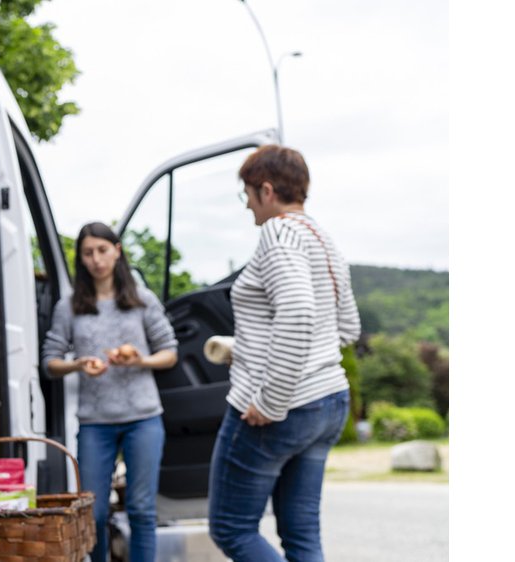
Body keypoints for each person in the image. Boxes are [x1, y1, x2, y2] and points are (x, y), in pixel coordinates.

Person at [208, 145, 361, 562]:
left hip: (283, 408)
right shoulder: (323, 239)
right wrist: (253, 347)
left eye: (248, 195)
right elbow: (347, 328)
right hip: (329, 400)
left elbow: (297, 314)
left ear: (267, 190)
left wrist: (270, 399)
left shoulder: (278, 232)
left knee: (231, 528)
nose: (248, 207)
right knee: (301, 533)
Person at [41, 222, 178, 562]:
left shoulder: (142, 299)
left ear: (117, 251)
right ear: (81, 260)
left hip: (143, 418)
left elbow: (170, 352)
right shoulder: (69, 305)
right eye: (88, 253)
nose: (96, 259)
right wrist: (77, 364)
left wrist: (138, 359)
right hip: (95, 422)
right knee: (94, 513)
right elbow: (50, 361)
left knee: (142, 509)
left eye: (103, 250)